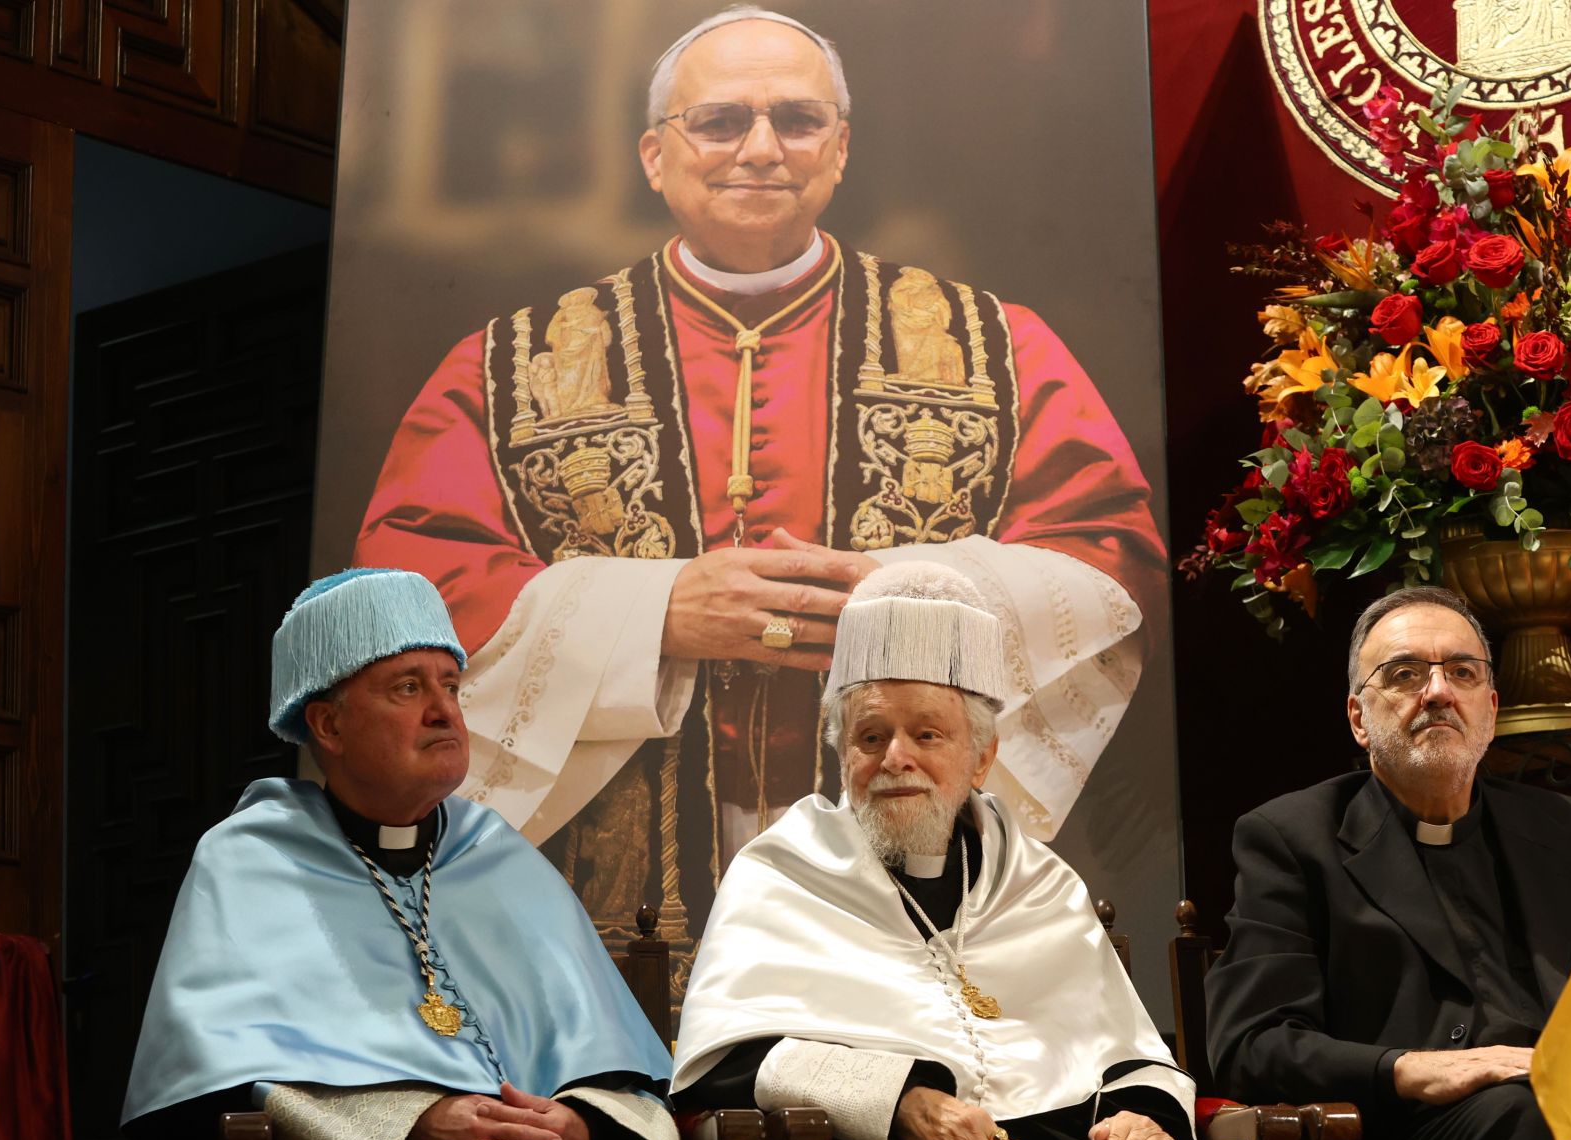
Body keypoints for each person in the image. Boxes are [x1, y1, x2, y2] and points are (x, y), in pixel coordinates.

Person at [352, 6, 1167, 975]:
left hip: (902, 867)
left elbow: (1111, 562)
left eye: (797, 119)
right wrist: (653, 616)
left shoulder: (993, 348)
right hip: (613, 902)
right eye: (722, 121)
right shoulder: (513, 368)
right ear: (655, 155)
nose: (762, 148)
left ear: (842, 148)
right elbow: (402, 593)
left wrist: (909, 598)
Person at [669, 562, 1270, 1140]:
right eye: (870, 736)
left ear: (980, 756)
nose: (896, 757)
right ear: (842, 753)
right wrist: (901, 1102)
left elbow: (1125, 1047)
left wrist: (1146, 1115)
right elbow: (730, 1061)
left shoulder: (1036, 880)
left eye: (927, 733)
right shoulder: (785, 870)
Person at [121, 569, 698, 1140]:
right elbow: (229, 1075)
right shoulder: (252, 859)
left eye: (451, 685)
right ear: (328, 723)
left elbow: (616, 1073)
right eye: (407, 687)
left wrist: (573, 1128)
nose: (444, 712)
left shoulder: (498, 855)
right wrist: (415, 1124)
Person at [1205, 586, 1571, 1140]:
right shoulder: (1292, 840)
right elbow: (1250, 1042)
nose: (1438, 692)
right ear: (1358, 716)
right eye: (1405, 674)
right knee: (1521, 1120)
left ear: (1490, 712)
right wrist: (1408, 1069)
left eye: (1463, 672)